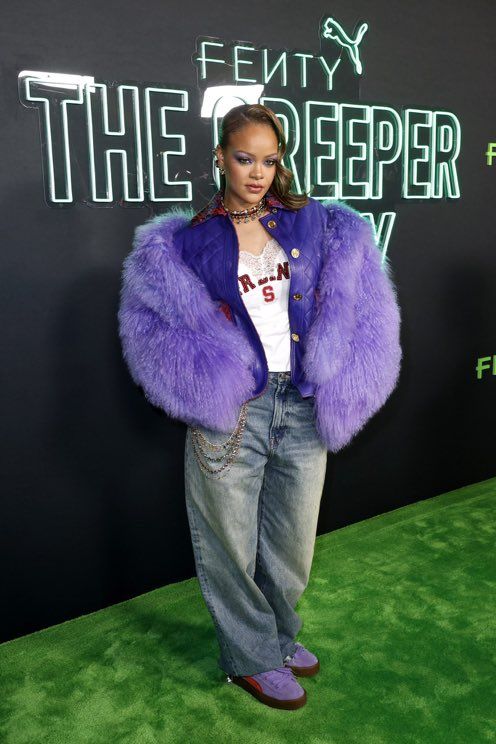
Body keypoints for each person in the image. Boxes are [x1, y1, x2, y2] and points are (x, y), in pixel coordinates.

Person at [118, 103, 402, 710]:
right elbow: (149, 329)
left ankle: (275, 634)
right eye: (245, 158)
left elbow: (366, 308)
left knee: (292, 546)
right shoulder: (185, 242)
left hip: (300, 401)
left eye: (270, 161)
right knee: (230, 545)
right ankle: (249, 658)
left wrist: (341, 378)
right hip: (234, 412)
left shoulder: (318, 226)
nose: (258, 172)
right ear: (220, 157)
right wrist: (209, 384)